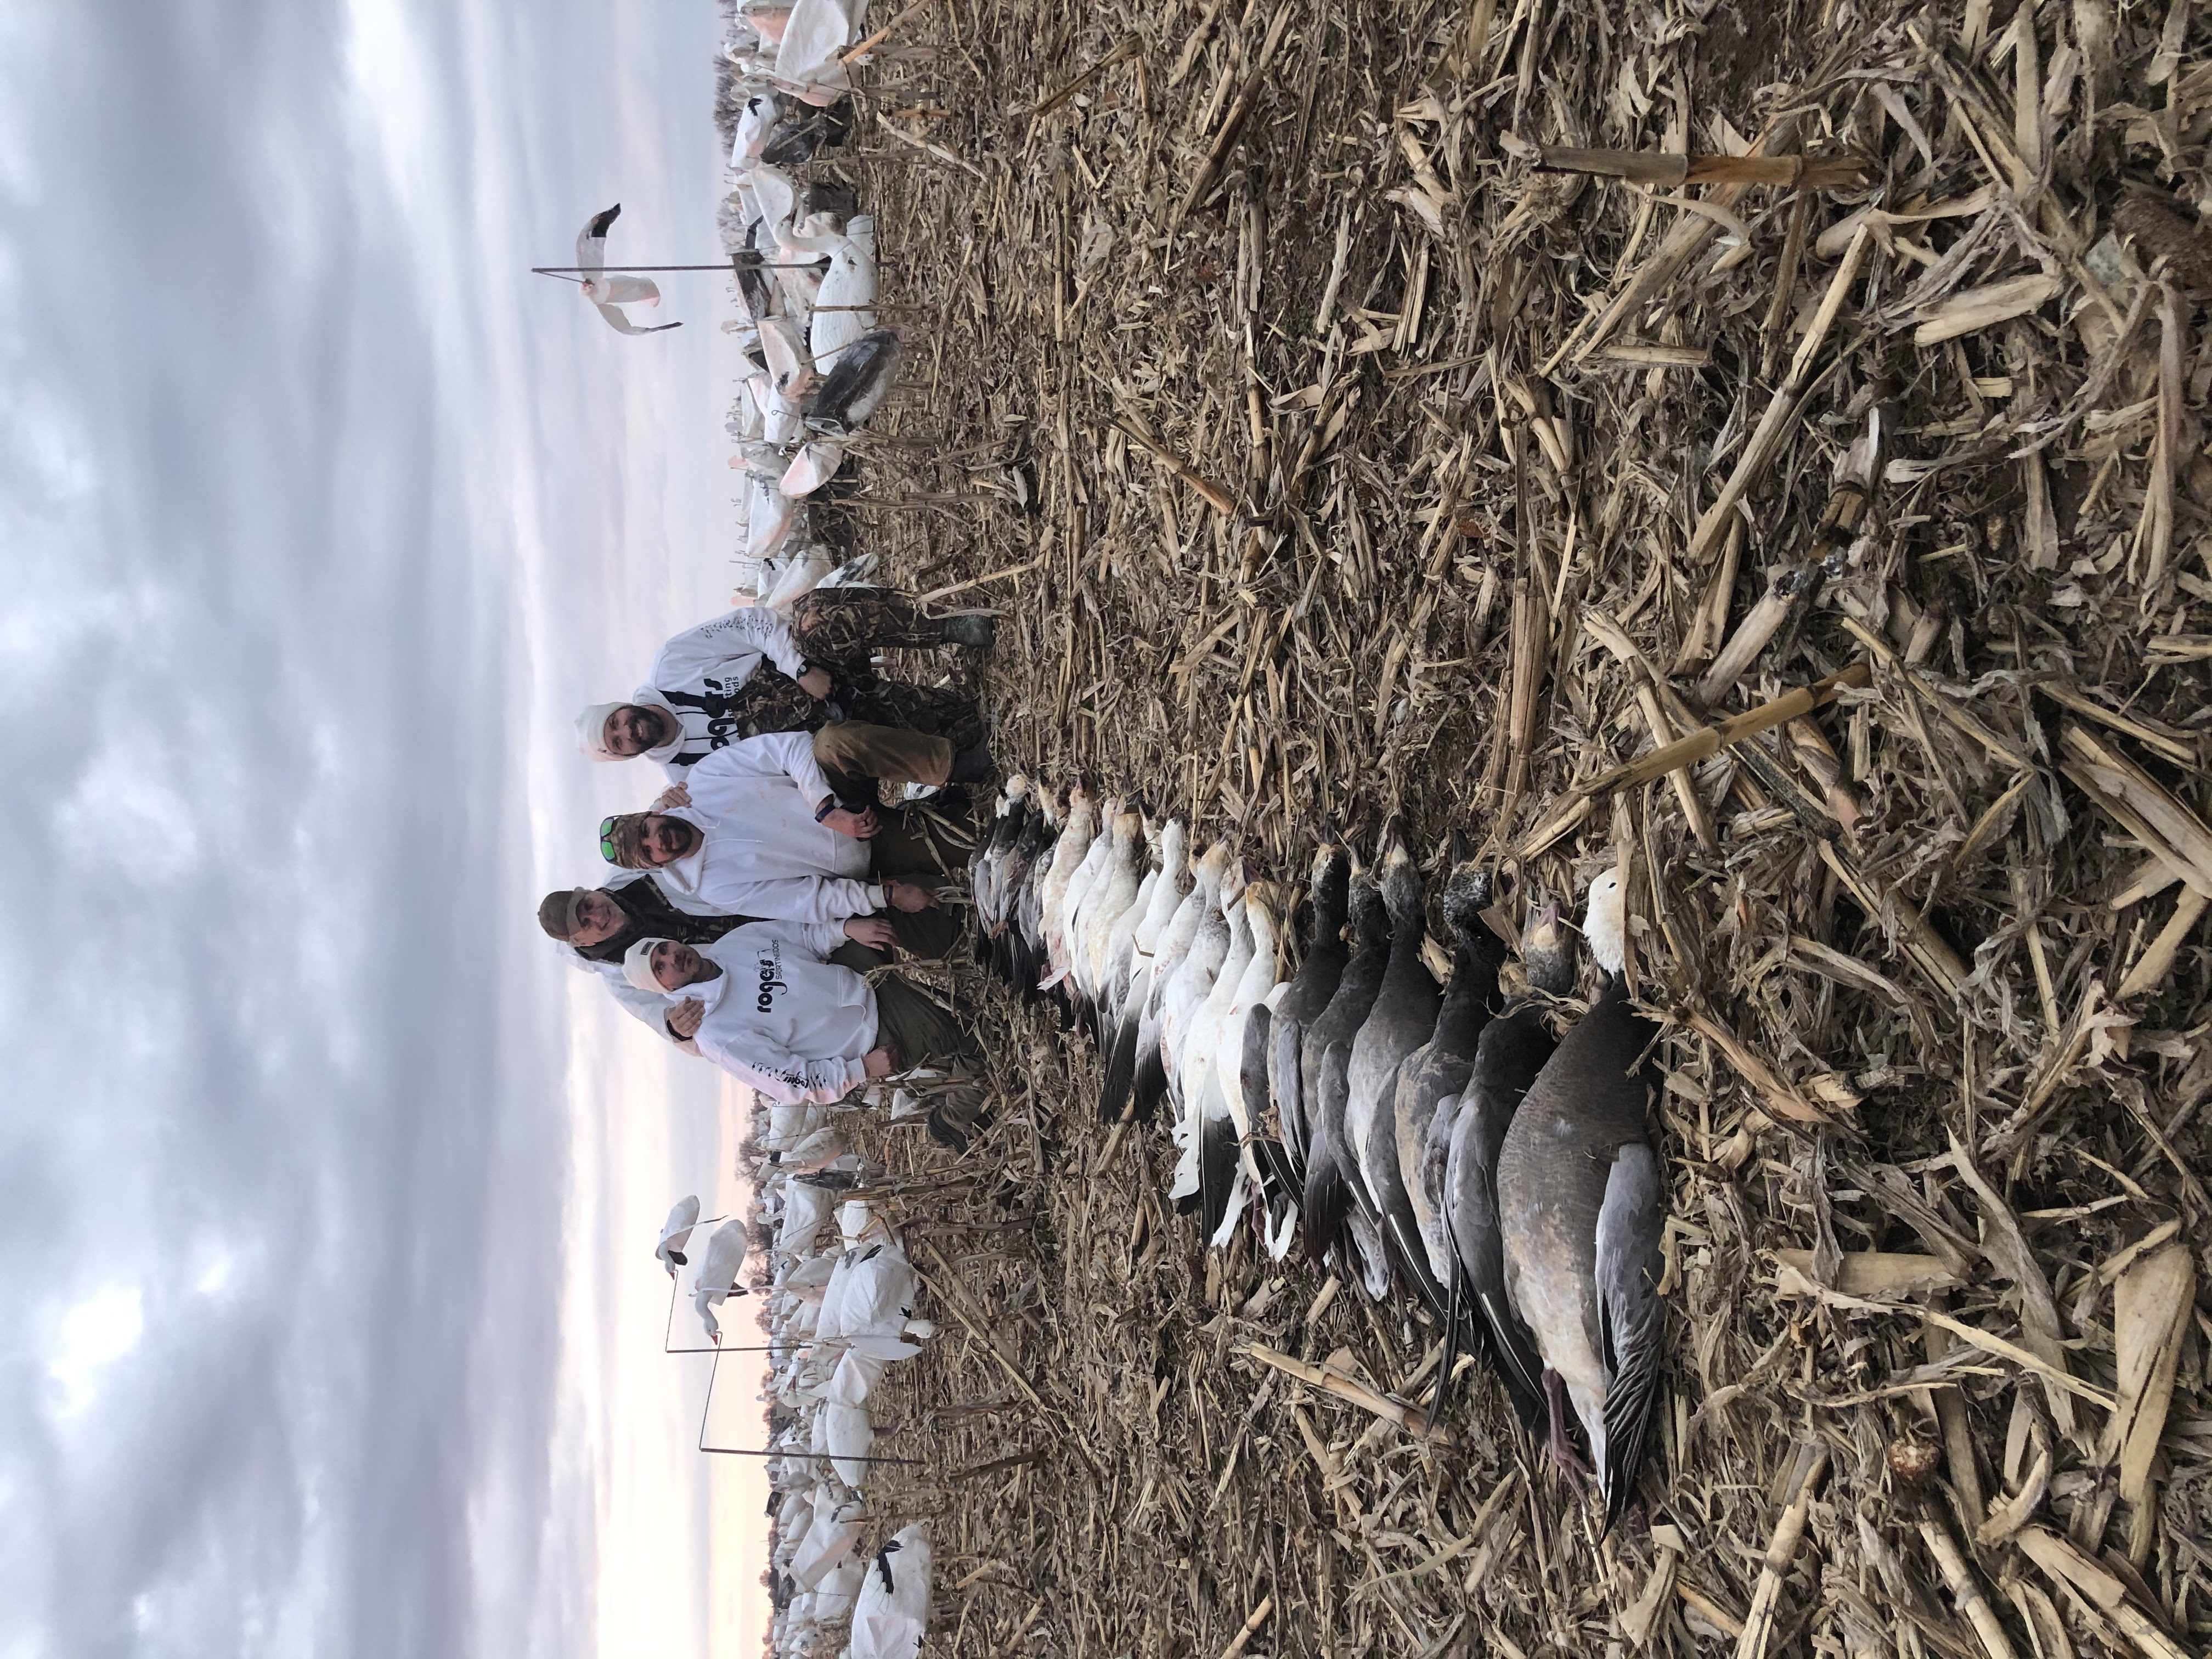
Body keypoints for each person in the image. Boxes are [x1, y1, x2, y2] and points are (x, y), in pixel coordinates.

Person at [597, 729, 961, 960]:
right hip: (864, 856)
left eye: (646, 830)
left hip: (837, 797)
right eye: (649, 852)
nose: (656, 840)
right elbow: (808, 901)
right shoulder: (715, 888)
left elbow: (787, 747)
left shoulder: (702, 781)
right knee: (964, 842)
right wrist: (889, 896)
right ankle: (930, 825)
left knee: (833, 742)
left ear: (649, 815)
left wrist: (826, 809)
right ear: (657, 864)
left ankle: (954, 765)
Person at [575, 591, 994, 780]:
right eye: (619, 743)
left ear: (619, 707)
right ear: (625, 756)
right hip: (838, 725)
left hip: (817, 668)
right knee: (964, 721)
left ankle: (946, 628)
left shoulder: (671, 665)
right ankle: (946, 759)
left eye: (617, 722)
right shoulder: (685, 774)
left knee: (815, 618)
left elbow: (752, 623)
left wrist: (799, 670)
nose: (628, 731)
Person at [624, 933, 987, 1143]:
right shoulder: (718, 1036)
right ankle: (953, 1120)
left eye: (665, 949)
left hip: (862, 979)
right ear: (664, 988)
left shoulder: (730, 946)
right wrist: (861, 1068)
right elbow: (791, 1082)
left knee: (958, 1010)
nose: (672, 957)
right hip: (872, 1030)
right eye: (660, 967)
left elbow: (796, 933)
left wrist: (848, 929)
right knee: (975, 1032)